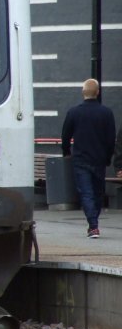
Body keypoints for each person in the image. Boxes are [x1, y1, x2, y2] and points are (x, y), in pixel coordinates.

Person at [61, 78, 116, 238]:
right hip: (99, 159)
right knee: (98, 192)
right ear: (97, 92)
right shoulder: (106, 113)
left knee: (86, 193)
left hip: (80, 159)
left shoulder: (74, 112)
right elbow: (110, 138)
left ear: (82, 92)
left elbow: (65, 136)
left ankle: (93, 226)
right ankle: (94, 221)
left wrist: (66, 152)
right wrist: (108, 157)